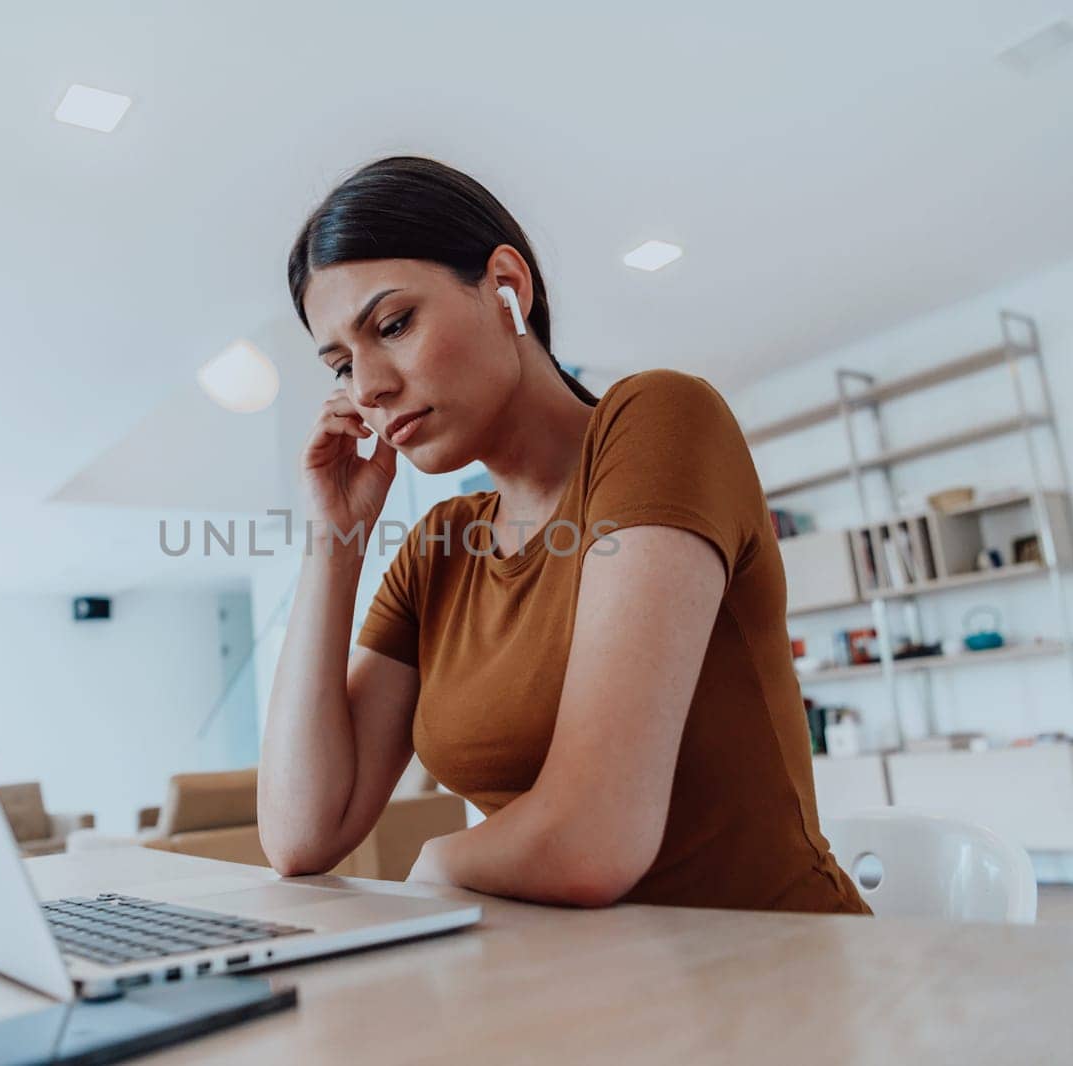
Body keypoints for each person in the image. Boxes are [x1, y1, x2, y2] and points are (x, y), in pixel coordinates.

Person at [257, 155, 868, 913]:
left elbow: (592, 840)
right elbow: (299, 834)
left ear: (506, 288)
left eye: (393, 325)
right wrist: (334, 539)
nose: (370, 387)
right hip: (579, 989)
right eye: (342, 365)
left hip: (775, 981)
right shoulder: (439, 550)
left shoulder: (658, 421)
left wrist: (437, 866)